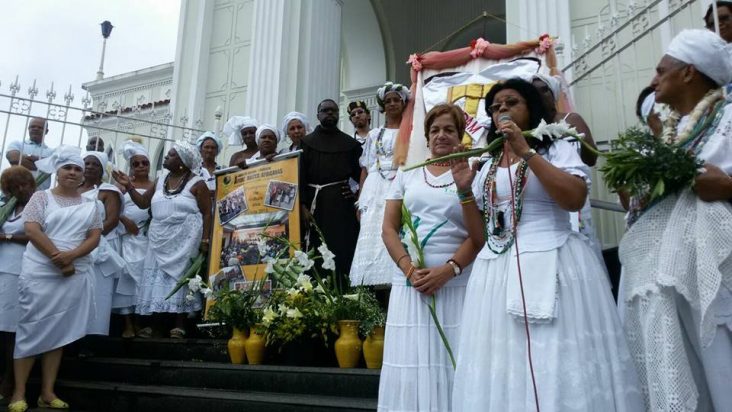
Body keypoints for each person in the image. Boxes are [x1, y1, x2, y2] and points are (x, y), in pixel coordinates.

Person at [450, 79, 643, 411]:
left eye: (511, 103)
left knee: (550, 352)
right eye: (495, 107)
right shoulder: (488, 162)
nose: (502, 111)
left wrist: (526, 152)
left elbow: (573, 198)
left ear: (531, 108)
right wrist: (466, 192)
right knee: (505, 360)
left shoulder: (556, 146)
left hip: (554, 259)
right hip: (496, 269)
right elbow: (480, 234)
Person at [618, 29, 732, 412]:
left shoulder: (729, 115)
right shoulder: (671, 133)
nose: (653, 80)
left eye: (660, 69)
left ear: (688, 72)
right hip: (670, 280)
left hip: (717, 273)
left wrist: (730, 185)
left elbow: (717, 184)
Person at [379, 104, 478, 411]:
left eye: (449, 129)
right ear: (426, 136)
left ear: (460, 135)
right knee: (412, 359)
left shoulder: (473, 170)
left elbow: (479, 233)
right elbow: (388, 229)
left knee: (455, 359)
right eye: (434, 130)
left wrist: (449, 270)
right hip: (412, 284)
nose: (441, 135)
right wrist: (410, 270)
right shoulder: (407, 175)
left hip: (457, 283)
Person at [10, 146, 102, 412]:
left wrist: (71, 256)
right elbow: (31, 229)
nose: (72, 173)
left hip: (73, 270)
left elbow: (94, 236)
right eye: (67, 168)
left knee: (59, 332)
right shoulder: (41, 197)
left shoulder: (91, 204)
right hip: (40, 270)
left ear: (83, 175)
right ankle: (18, 392)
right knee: (30, 327)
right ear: (58, 172)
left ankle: (47, 393)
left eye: (77, 169)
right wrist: (56, 256)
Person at [113, 140, 211, 339]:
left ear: (182, 162)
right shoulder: (160, 180)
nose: (166, 157)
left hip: (185, 239)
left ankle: (179, 323)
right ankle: (157, 324)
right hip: (158, 237)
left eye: (171, 155)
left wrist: (206, 240)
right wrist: (129, 187)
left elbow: (207, 213)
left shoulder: (197, 183)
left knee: (179, 277)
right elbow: (142, 203)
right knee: (158, 278)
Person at [532, 73, 603, 258]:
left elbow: (592, 158)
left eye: (544, 90)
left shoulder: (572, 119)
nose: (539, 95)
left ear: (554, 94)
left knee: (581, 247)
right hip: (545, 198)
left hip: (573, 192)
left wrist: (572, 138)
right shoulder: (530, 127)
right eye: (534, 91)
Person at [350, 82, 409, 287]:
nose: (392, 104)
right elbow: (365, 167)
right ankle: (371, 290)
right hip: (374, 186)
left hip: (399, 183)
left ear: (403, 103)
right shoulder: (375, 134)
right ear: (383, 106)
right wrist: (360, 200)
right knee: (372, 234)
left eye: (396, 100)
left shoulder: (410, 132)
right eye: (388, 101)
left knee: (395, 230)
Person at [300, 99, 362, 289]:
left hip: (341, 208)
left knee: (341, 249)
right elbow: (299, 176)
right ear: (318, 115)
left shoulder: (350, 144)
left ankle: (342, 293)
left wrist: (356, 194)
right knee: (315, 251)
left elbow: (363, 175)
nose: (329, 113)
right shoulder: (306, 143)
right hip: (314, 207)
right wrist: (302, 206)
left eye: (333, 110)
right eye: (325, 110)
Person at [78, 151, 125, 337]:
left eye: (94, 164)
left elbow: (112, 220)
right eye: (86, 163)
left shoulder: (108, 191)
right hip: (72, 246)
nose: (89, 167)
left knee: (97, 293)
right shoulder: (73, 190)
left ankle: (93, 336)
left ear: (101, 169)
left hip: (98, 247)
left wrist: (89, 239)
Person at [0, 167, 35, 401]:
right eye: (14, 187)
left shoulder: (38, 206)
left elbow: (38, 235)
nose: (20, 190)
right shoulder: (8, 208)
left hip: (19, 271)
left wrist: (7, 237)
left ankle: (9, 381)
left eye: (24, 185)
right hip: (2, 269)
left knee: (11, 327)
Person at [116, 140, 154, 338]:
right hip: (128, 236)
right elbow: (112, 208)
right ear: (130, 166)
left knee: (145, 279)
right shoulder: (121, 186)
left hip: (147, 237)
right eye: (136, 164)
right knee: (127, 279)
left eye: (144, 163)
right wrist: (124, 220)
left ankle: (142, 321)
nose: (140, 167)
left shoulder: (155, 185)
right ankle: (128, 324)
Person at [5, 117, 54, 191]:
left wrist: (25, 158)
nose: (35, 129)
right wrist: (43, 164)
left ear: (46, 131)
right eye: (32, 126)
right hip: (14, 192)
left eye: (40, 127)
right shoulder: (17, 144)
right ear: (28, 129)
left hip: (39, 194)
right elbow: (14, 159)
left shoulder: (52, 152)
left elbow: (54, 166)